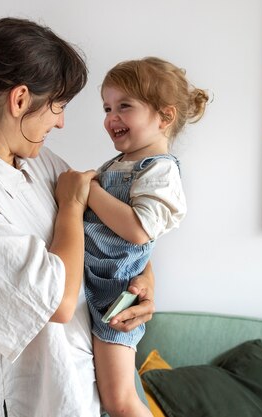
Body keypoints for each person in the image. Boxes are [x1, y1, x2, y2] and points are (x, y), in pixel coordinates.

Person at [0, 17, 155, 417]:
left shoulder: (39, 164)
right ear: (20, 100)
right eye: (58, 106)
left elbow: (116, 231)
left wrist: (144, 281)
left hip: (77, 396)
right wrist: (72, 208)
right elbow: (55, 302)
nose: (60, 122)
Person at [84, 57, 209, 417]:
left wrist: (87, 191)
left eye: (125, 106)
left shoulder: (161, 171)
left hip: (115, 296)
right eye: (107, 107)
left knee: (119, 401)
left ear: (164, 117)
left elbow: (139, 229)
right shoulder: (115, 165)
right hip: (94, 279)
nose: (111, 116)